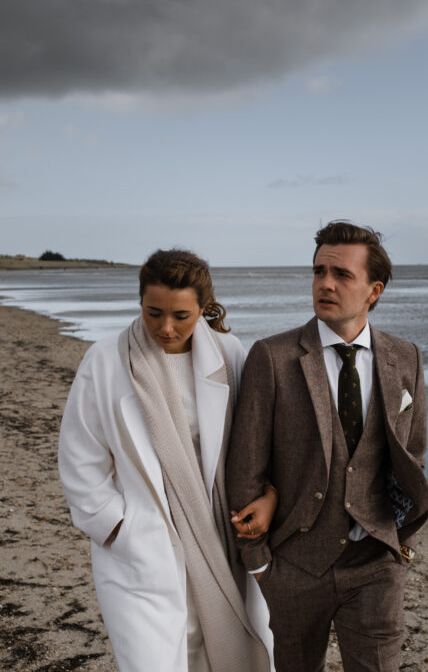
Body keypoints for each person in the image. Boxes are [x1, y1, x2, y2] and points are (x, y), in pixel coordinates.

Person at [226, 222, 428, 671]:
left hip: (377, 562)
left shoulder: (406, 357)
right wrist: (261, 566)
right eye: (319, 271)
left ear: (373, 290)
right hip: (296, 567)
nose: (325, 284)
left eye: (342, 275)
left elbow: (412, 457)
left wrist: (401, 545)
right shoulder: (273, 357)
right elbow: (244, 469)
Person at [58, 249, 275, 672]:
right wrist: (117, 526)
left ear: (203, 309)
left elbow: (258, 439)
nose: (166, 327)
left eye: (181, 315)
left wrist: (269, 494)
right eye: (153, 313)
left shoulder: (230, 354)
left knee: (225, 652)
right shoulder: (105, 360)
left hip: (221, 533)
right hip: (145, 541)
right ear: (140, 302)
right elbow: (79, 455)